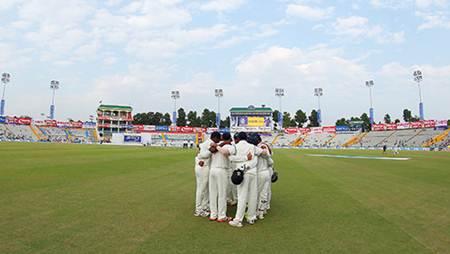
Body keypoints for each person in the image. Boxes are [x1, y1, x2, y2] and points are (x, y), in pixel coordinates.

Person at [228, 132, 268, 228]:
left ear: (239, 138)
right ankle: (251, 217)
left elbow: (229, 156)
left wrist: (241, 158)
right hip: (253, 173)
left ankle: (238, 220)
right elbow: (264, 152)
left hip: (242, 172)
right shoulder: (252, 147)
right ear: (246, 138)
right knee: (253, 195)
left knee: (242, 196)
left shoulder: (236, 146)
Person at [208, 133, 236, 222]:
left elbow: (212, 150)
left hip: (213, 170)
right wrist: (218, 146)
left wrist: (217, 146)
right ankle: (221, 216)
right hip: (221, 170)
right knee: (222, 194)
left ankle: (213, 214)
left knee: (213, 193)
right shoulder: (228, 146)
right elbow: (224, 152)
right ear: (230, 139)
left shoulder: (218, 145)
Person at [194, 132, 221, 217]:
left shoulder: (207, 143)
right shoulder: (209, 143)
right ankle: (198, 210)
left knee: (205, 189)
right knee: (201, 189)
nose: (219, 140)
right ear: (215, 138)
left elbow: (198, 155)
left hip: (203, 167)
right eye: (218, 138)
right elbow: (203, 154)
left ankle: (204, 207)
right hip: (203, 167)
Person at [255, 135, 273, 220]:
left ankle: (257, 210)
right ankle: (262, 210)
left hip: (260, 172)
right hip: (267, 171)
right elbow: (271, 162)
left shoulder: (257, 148)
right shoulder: (265, 147)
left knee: (257, 193)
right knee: (265, 192)